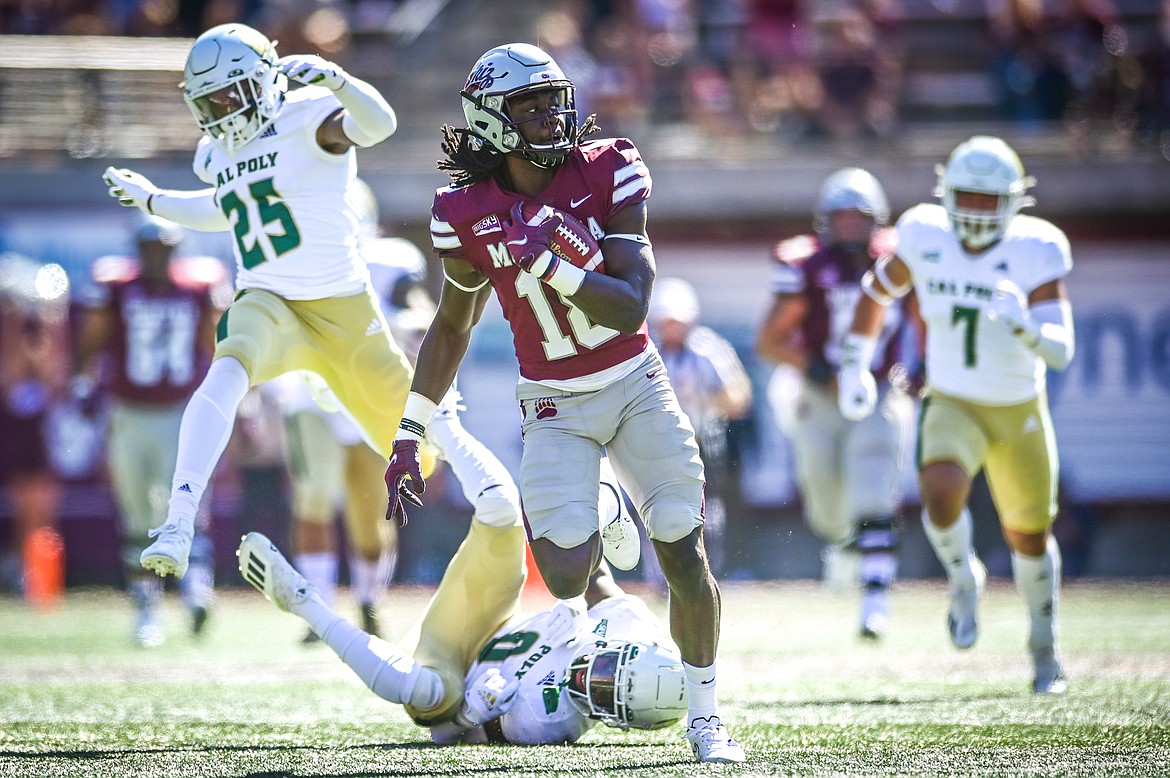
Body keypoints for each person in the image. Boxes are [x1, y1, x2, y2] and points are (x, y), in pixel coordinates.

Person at [382, 43, 743, 762]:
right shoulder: (464, 212)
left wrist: (548, 255)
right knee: (569, 574)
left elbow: (630, 303)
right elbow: (452, 328)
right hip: (553, 401)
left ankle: (707, 720)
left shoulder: (606, 166)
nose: (551, 114)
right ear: (490, 120)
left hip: (635, 381)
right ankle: (605, 507)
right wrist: (409, 432)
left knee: (680, 548)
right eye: (529, 104)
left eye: (553, 98)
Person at [99, 22, 411, 581]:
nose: (221, 110)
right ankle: (178, 518)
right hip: (269, 297)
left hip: (340, 309)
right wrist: (154, 199)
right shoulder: (215, 152)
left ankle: (503, 510)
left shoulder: (307, 115)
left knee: (423, 445)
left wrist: (339, 80)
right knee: (227, 369)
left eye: (229, 93)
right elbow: (222, 207)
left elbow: (380, 124)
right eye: (209, 100)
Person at [236, 363, 678, 746]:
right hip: (485, 616)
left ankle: (303, 602)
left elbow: (449, 734)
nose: (589, 681)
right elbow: (596, 576)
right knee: (503, 508)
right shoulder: (629, 622)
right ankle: (443, 422)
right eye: (606, 672)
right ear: (627, 650)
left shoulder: (550, 720)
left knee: (428, 692)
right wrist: (593, 512)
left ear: (616, 721)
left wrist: (472, 714)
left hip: (449, 666)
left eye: (603, 696)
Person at [836, 136, 1075, 693]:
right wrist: (854, 364)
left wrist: (1026, 326)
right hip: (951, 398)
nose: (975, 211)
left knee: (1031, 537)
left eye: (989, 200)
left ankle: (1045, 650)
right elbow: (877, 293)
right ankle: (964, 576)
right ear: (945, 195)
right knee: (940, 496)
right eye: (966, 196)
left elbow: (1062, 349)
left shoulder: (1036, 249)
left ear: (1014, 202)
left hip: (1017, 409)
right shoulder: (924, 235)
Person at [755, 167, 915, 640]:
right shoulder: (807, 265)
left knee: (873, 490)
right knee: (825, 506)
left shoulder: (898, 260)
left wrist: (918, 370)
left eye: (858, 218)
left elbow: (923, 322)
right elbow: (769, 341)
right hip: (819, 396)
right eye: (840, 218)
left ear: (876, 220)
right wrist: (810, 366)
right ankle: (842, 543)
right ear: (826, 221)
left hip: (879, 390)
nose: (849, 226)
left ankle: (875, 599)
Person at [73, 216, 228, 646]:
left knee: (187, 503)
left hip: (182, 411)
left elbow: (214, 346)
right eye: (150, 248)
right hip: (129, 411)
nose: (156, 256)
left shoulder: (197, 289)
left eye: (164, 248)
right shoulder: (117, 288)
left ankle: (197, 588)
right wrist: (83, 382)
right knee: (137, 512)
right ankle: (147, 608)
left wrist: (234, 400)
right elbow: (93, 340)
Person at [648, 277, 752, 578]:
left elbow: (739, 398)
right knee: (657, 506)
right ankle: (659, 574)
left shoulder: (708, 349)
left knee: (709, 507)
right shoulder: (648, 351)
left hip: (702, 438)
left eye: (677, 321)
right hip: (658, 441)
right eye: (667, 321)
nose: (672, 328)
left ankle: (711, 570)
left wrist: (706, 399)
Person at [0, 254, 69, 608]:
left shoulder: (42, 341)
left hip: (39, 437)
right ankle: (20, 575)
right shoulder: (10, 343)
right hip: (15, 436)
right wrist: (13, 326)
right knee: (23, 510)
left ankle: (41, 582)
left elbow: (50, 375)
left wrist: (49, 322)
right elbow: (10, 377)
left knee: (43, 511)